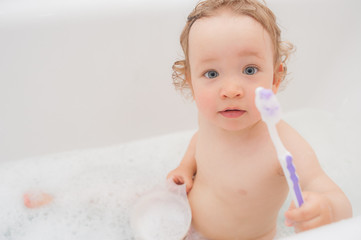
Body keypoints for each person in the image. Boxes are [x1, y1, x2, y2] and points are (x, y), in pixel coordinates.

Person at [166, 0, 352, 239]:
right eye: (211, 73)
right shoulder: (212, 117)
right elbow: (200, 140)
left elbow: (331, 193)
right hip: (188, 227)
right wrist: (185, 166)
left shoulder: (282, 144)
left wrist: (327, 208)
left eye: (250, 70)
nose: (231, 90)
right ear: (191, 82)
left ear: (275, 77)